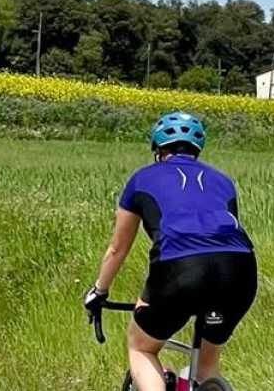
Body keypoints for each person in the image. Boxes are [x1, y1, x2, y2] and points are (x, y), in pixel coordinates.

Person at [83, 112, 258, 391]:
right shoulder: (223, 180)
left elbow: (117, 249)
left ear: (158, 149)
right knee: (207, 366)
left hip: (180, 268)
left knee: (142, 348)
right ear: (197, 149)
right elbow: (220, 235)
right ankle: (208, 381)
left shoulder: (141, 179)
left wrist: (98, 291)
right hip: (240, 271)